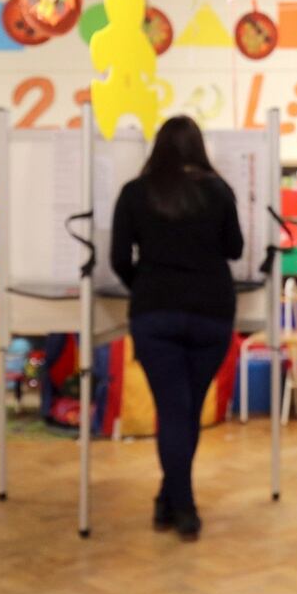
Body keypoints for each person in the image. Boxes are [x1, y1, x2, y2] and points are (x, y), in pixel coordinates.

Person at [110, 116, 243, 540]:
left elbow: (117, 257)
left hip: (155, 313)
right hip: (211, 311)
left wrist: (146, 288)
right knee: (187, 409)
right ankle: (180, 506)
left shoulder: (134, 192)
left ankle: (172, 501)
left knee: (174, 411)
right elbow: (234, 248)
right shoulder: (218, 190)